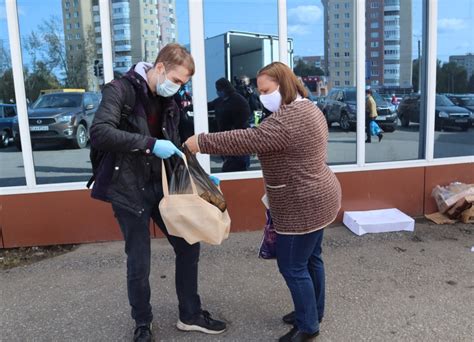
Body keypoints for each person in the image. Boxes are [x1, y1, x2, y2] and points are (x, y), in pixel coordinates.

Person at [185, 62, 342, 342]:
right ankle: (312, 311)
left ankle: (308, 326)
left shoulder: (289, 119)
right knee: (311, 259)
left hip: (301, 205)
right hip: (320, 196)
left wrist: (201, 142)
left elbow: (248, 139)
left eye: (266, 90)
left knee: (293, 266)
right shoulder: (308, 107)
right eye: (259, 91)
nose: (261, 96)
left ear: (284, 85)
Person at [89, 43, 226, 342]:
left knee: (189, 245)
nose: (177, 89)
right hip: (128, 189)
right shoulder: (120, 90)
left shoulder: (169, 102)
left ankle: (190, 314)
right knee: (139, 261)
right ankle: (142, 323)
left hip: (163, 188)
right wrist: (150, 144)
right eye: (176, 81)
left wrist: (201, 178)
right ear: (160, 67)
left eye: (183, 85)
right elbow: (100, 132)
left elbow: (175, 146)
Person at [210, 77, 251, 172]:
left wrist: (235, 128)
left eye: (219, 89)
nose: (218, 91)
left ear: (225, 88)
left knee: (236, 167)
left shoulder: (238, 100)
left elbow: (245, 114)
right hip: (225, 138)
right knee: (229, 163)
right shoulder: (220, 101)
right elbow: (208, 105)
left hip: (238, 139)